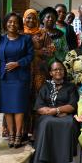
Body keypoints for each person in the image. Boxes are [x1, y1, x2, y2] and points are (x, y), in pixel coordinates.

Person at [32, 61, 79, 163]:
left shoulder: (71, 87)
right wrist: (51, 112)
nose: (58, 71)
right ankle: (47, 162)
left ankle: (56, 162)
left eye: (60, 69)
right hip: (48, 116)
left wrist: (57, 110)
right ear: (51, 73)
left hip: (65, 115)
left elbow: (73, 105)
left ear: (64, 71)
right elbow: (39, 106)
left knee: (68, 124)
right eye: (55, 69)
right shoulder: (45, 87)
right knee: (47, 123)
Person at [0, 12, 34, 148]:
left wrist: (18, 63)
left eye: (15, 22)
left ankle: (19, 134)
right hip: (5, 77)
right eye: (9, 21)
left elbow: (30, 56)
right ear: (6, 23)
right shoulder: (1, 39)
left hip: (20, 76)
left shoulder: (25, 39)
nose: (12, 24)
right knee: (7, 107)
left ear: (19, 24)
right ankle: (11, 134)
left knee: (18, 107)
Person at [23, 8, 55, 139]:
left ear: (37, 19)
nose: (31, 20)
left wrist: (33, 52)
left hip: (39, 72)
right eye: (28, 17)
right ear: (24, 18)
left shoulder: (43, 33)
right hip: (23, 70)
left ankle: (37, 131)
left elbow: (51, 50)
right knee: (23, 99)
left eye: (33, 17)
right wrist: (37, 51)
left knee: (38, 99)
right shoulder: (19, 32)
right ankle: (21, 131)